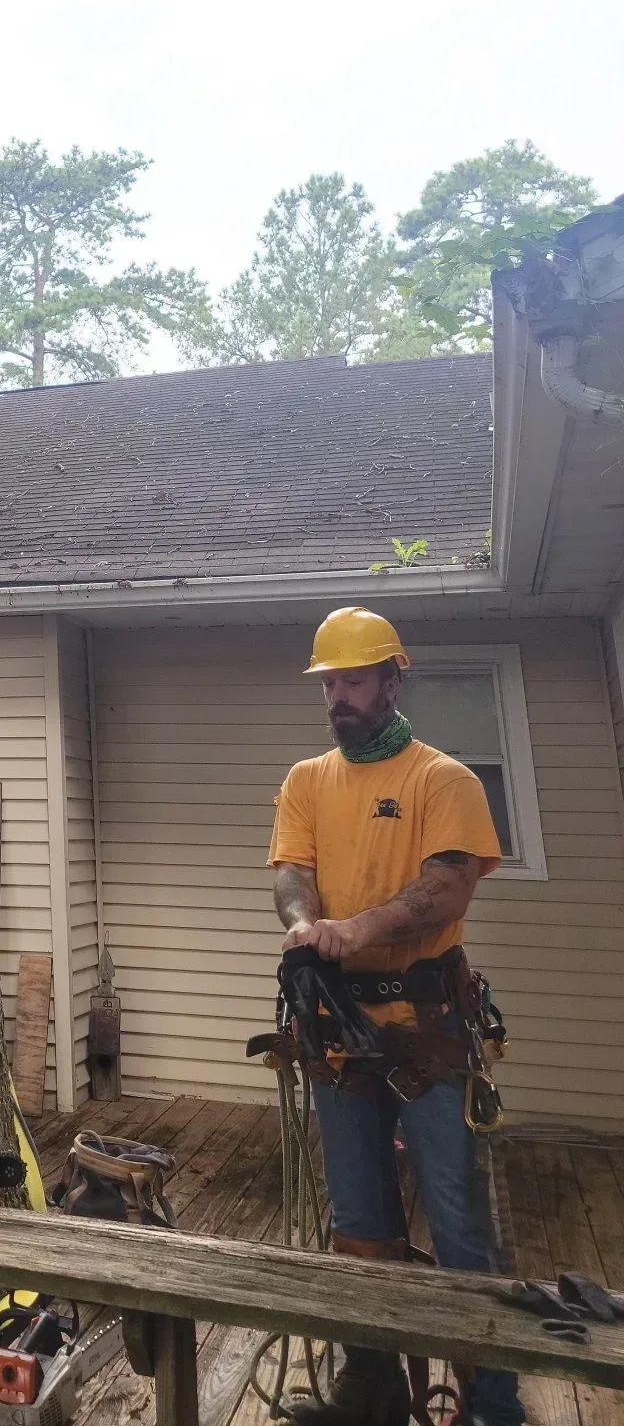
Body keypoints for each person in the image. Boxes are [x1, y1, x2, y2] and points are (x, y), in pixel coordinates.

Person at [269, 606, 521, 1426]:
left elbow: (445, 886)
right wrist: (304, 924)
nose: (337, 695)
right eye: (329, 682)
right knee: (359, 1219)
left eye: (352, 679)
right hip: (341, 1030)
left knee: (456, 1216)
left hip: (427, 1025)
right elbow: (291, 874)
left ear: (392, 678)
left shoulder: (440, 779)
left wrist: (355, 928)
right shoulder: (307, 780)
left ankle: (492, 1401)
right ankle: (369, 1387)